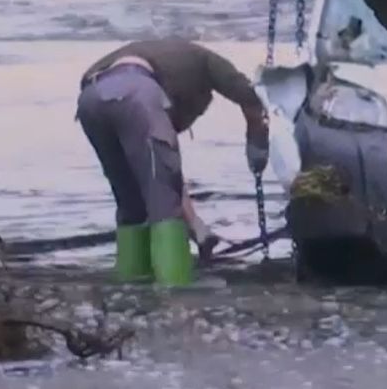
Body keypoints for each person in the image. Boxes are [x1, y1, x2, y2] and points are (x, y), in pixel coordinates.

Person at [76, 39, 269, 285]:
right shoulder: (206, 61)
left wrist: (197, 227)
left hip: (91, 100)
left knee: (131, 202)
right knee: (164, 205)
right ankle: (174, 286)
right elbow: (250, 97)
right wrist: (257, 144)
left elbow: (167, 174)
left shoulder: (159, 60)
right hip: (138, 93)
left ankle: (132, 280)